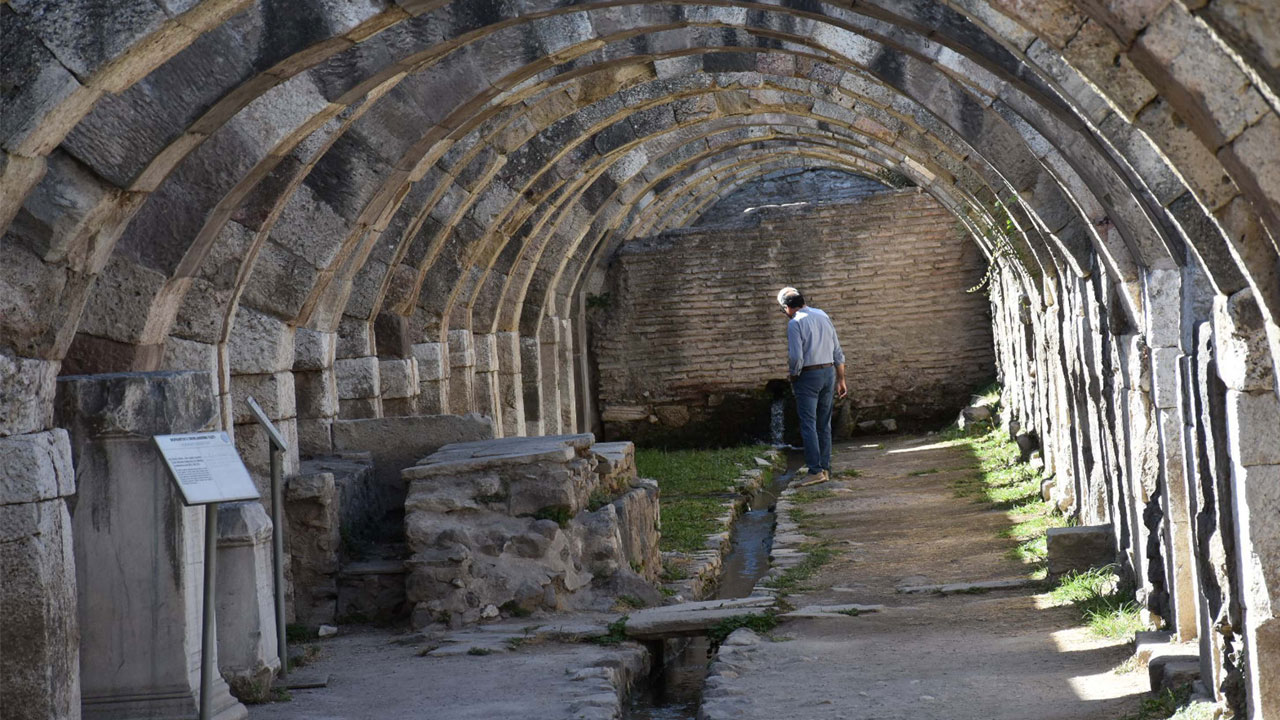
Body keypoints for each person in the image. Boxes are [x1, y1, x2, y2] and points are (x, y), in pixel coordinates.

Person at [777, 287, 847, 485]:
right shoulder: (822, 314)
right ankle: (825, 468)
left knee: (808, 424)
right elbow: (837, 349)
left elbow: (796, 357)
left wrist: (793, 375)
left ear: (787, 307)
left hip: (808, 375)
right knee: (823, 424)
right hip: (829, 373)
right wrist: (841, 379)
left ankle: (815, 470)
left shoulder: (795, 323)